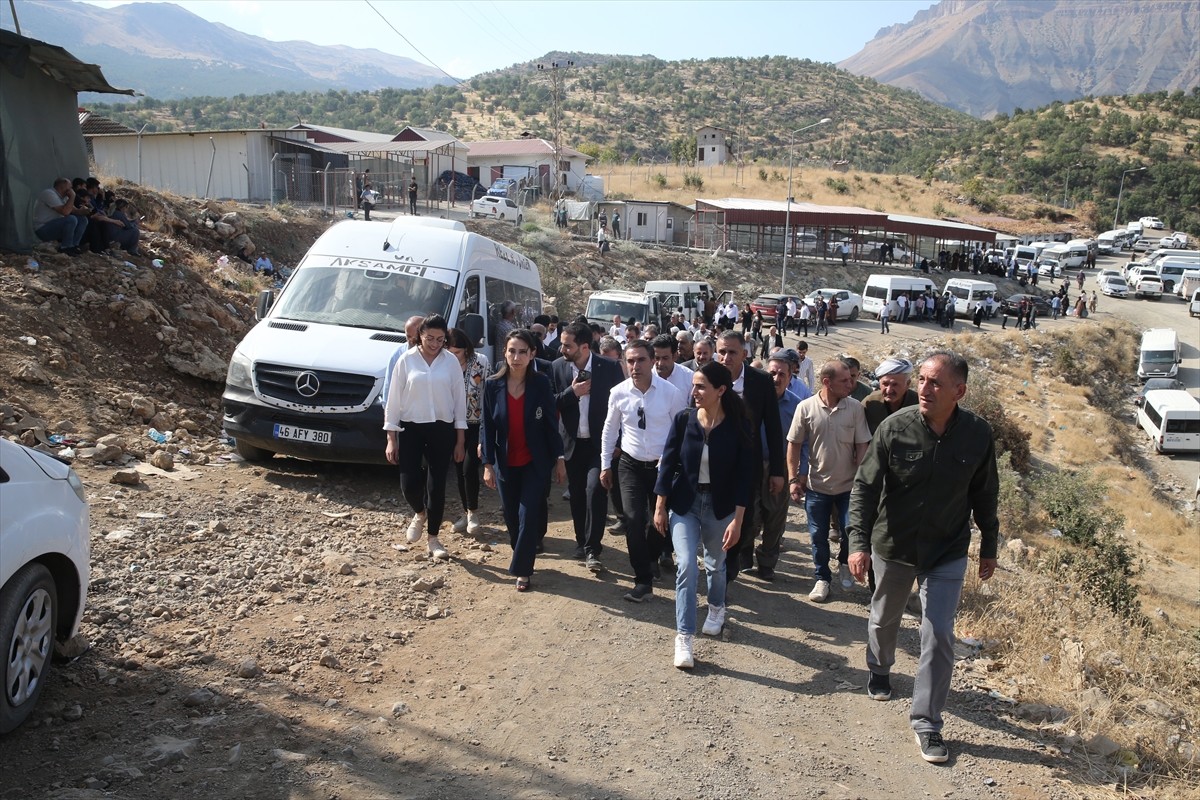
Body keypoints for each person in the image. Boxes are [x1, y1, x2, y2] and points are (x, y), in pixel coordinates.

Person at [847, 351, 1000, 765]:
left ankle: (927, 722)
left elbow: (985, 494)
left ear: (959, 391)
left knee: (940, 634)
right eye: (923, 380)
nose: (925, 389)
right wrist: (857, 542)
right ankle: (879, 668)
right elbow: (864, 487)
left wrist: (989, 545)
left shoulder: (977, 435)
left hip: (946, 550)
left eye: (936, 383)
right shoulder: (895, 428)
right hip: (894, 545)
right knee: (884, 617)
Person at [654, 361, 751, 668]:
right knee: (685, 565)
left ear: (720, 390)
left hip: (721, 507)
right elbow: (667, 463)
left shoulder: (738, 426)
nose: (693, 391)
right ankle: (684, 637)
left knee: (716, 564)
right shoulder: (684, 420)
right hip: (685, 504)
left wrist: (737, 520)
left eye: (700, 386)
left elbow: (745, 477)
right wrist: (659, 505)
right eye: (693, 384)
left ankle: (717, 606)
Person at [601, 340, 687, 602]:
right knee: (634, 519)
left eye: (640, 360)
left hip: (663, 466)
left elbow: (680, 431)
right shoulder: (618, 392)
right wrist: (605, 464)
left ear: (652, 361)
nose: (635, 366)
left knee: (659, 521)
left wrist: (676, 466)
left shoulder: (671, 393)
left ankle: (651, 557)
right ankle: (642, 580)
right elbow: (609, 429)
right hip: (630, 464)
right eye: (630, 361)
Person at [481, 330, 566, 591]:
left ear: (532, 355)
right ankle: (523, 553)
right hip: (506, 463)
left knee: (528, 514)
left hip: (535, 462)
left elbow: (552, 424)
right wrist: (487, 464)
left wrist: (559, 459)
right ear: (504, 353)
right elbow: (487, 426)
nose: (516, 357)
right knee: (511, 517)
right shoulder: (492, 385)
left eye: (522, 352)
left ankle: (522, 570)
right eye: (511, 351)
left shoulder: (540, 383)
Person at [383, 315, 467, 561]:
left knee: (437, 484)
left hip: (442, 428)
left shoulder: (450, 361)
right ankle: (419, 513)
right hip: (411, 428)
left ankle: (433, 538)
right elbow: (394, 400)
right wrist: (391, 437)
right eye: (430, 338)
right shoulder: (405, 360)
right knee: (408, 482)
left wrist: (460, 439)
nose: (434, 344)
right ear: (420, 335)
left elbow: (459, 400)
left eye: (440, 339)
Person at [787, 360, 871, 601]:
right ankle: (822, 578)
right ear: (827, 382)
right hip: (817, 487)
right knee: (817, 536)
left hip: (849, 487)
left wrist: (861, 481)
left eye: (851, 379)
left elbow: (862, 445)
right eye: (844, 381)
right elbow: (793, 445)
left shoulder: (855, 408)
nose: (851, 384)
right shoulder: (805, 408)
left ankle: (844, 562)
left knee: (849, 531)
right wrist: (794, 478)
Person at [713, 331, 785, 583]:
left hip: (747, 463)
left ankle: (731, 566)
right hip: (713, 463)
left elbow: (774, 428)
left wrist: (777, 470)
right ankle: (718, 563)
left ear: (744, 354)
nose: (726, 357)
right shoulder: (708, 376)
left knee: (744, 518)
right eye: (722, 351)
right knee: (715, 514)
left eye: (732, 352)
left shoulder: (760, 381)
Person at [553, 321, 623, 572]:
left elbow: (623, 406)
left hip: (600, 445)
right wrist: (573, 392)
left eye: (567, 345)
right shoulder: (558, 367)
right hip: (572, 444)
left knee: (595, 491)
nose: (562, 348)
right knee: (577, 495)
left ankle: (594, 548)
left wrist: (619, 442)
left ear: (583, 347)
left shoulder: (610, 367)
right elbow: (552, 403)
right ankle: (581, 542)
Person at [742, 350, 808, 581]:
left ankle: (767, 562)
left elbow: (805, 442)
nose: (776, 378)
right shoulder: (750, 400)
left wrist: (800, 473)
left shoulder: (798, 406)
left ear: (790, 377)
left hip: (781, 467)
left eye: (782, 374)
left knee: (776, 517)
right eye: (772, 373)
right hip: (751, 465)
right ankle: (744, 556)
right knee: (749, 512)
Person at [447, 327, 489, 535]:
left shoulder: (480, 362)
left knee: (469, 467)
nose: (453, 356)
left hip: (475, 423)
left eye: (457, 352)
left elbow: (487, 391)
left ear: (465, 349)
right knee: (458, 468)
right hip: (452, 424)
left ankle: (473, 512)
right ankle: (466, 511)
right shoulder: (443, 363)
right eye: (450, 351)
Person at [32, 178, 87, 256]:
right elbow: (65, 212)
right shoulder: (49, 193)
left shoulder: (64, 197)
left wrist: (84, 211)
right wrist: (72, 196)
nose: (71, 189)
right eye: (70, 187)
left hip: (55, 226)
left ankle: (74, 245)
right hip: (43, 228)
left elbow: (75, 211)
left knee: (83, 220)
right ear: (62, 186)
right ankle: (65, 247)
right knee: (71, 219)